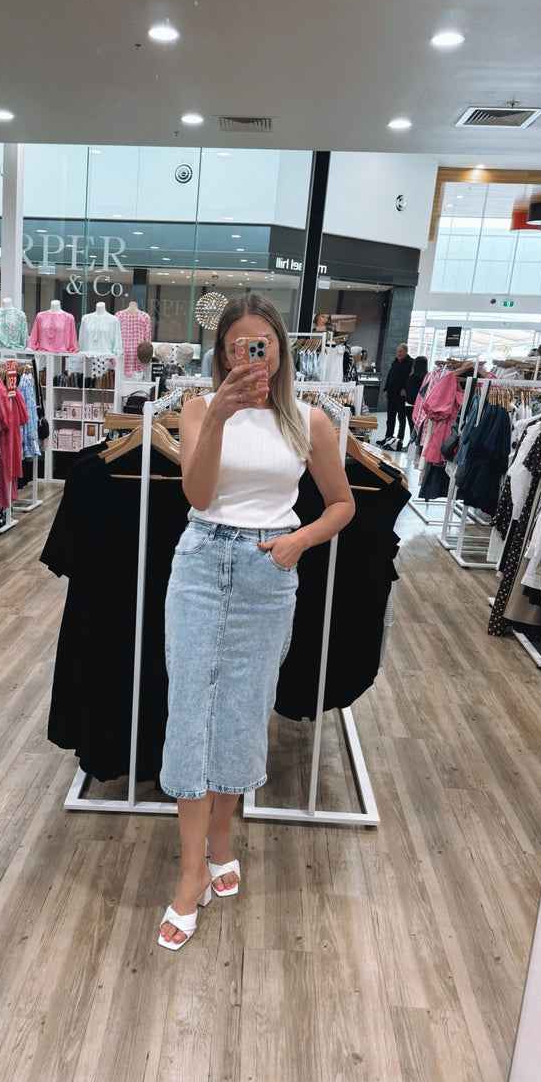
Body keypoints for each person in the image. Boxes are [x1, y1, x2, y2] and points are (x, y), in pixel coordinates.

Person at [158, 293, 355, 949]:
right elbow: (198, 494)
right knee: (191, 714)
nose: (252, 357)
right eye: (239, 346)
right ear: (221, 354)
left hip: (270, 570)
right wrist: (218, 414)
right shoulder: (197, 408)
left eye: (262, 346)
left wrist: (299, 540)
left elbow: (342, 503)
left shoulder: (309, 420)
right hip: (201, 564)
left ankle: (221, 841)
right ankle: (190, 873)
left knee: (243, 715)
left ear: (280, 351)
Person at [378, 343, 413, 451]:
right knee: (390, 418)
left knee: (401, 418)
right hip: (391, 393)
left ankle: (399, 439)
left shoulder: (410, 363)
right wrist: (385, 389)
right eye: (398, 351)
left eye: (401, 351)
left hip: (401, 395)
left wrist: (406, 389)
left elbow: (410, 378)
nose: (399, 353)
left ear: (406, 351)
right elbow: (389, 376)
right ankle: (388, 437)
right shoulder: (395, 362)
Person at [404, 354, 428, 445]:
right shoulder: (425, 377)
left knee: (412, 426)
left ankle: (412, 443)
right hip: (416, 404)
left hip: (411, 403)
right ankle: (413, 443)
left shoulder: (414, 377)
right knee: (415, 426)